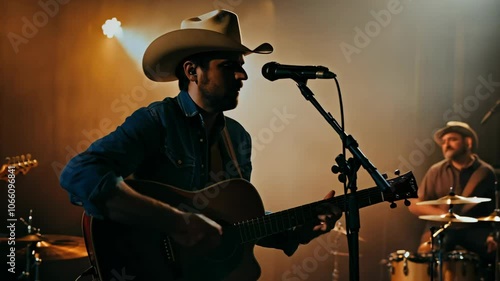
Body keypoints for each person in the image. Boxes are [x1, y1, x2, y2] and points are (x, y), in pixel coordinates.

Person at [59, 9, 341, 281]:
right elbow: (79, 174)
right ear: (192, 71)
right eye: (229, 67)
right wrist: (178, 222)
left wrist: (299, 229)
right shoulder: (157, 121)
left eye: (241, 68)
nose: (242, 77)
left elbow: (238, 224)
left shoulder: (238, 137)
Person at [408, 121, 498, 279]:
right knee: (427, 251)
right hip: (443, 230)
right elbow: (413, 203)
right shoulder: (436, 171)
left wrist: (495, 235)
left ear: (468, 142)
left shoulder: (485, 172)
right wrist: (441, 214)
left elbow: (495, 210)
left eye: (452, 139)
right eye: (443, 142)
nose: (446, 145)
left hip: (474, 231)